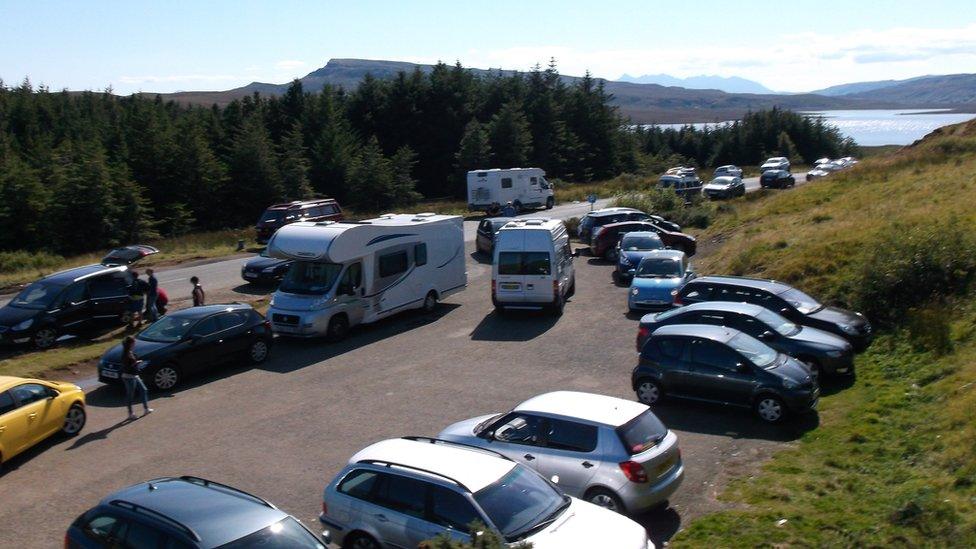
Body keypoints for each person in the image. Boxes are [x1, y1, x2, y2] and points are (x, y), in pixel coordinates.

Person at [121, 335, 153, 420]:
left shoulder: (129, 352)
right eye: (134, 342)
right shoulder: (126, 354)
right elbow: (128, 366)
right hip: (129, 377)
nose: (135, 344)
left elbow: (131, 364)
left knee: (143, 390)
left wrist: (137, 362)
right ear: (131, 343)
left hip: (134, 375)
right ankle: (130, 414)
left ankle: (146, 409)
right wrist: (136, 363)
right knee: (130, 395)